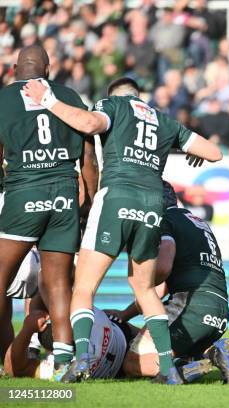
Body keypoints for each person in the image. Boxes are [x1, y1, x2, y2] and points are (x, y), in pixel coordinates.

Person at [24, 76, 223, 385]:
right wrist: (192, 150)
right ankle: (169, 367)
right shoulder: (164, 120)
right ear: (140, 96)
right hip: (153, 204)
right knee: (144, 289)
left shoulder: (113, 105)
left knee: (85, 288)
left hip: (117, 196)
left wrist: (47, 100)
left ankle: (81, 361)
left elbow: (90, 123)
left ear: (115, 95)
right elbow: (214, 153)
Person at [0, 45, 98, 380]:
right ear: (48, 68)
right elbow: (88, 156)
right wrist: (90, 199)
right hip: (64, 194)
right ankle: (65, 361)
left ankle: (5, 357)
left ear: (15, 69)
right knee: (58, 282)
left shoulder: (3, 99)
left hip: (23, 192)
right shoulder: (68, 94)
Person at [119, 182, 229, 384]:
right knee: (146, 333)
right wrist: (125, 314)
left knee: (132, 362)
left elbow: (164, 269)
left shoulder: (165, 220)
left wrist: (141, 280)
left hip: (191, 307)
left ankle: (208, 359)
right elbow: (161, 290)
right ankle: (209, 352)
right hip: (220, 312)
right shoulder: (197, 222)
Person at [4, 304, 137, 381]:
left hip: (118, 368)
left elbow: (14, 368)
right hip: (121, 333)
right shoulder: (86, 312)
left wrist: (27, 329)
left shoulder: (57, 370)